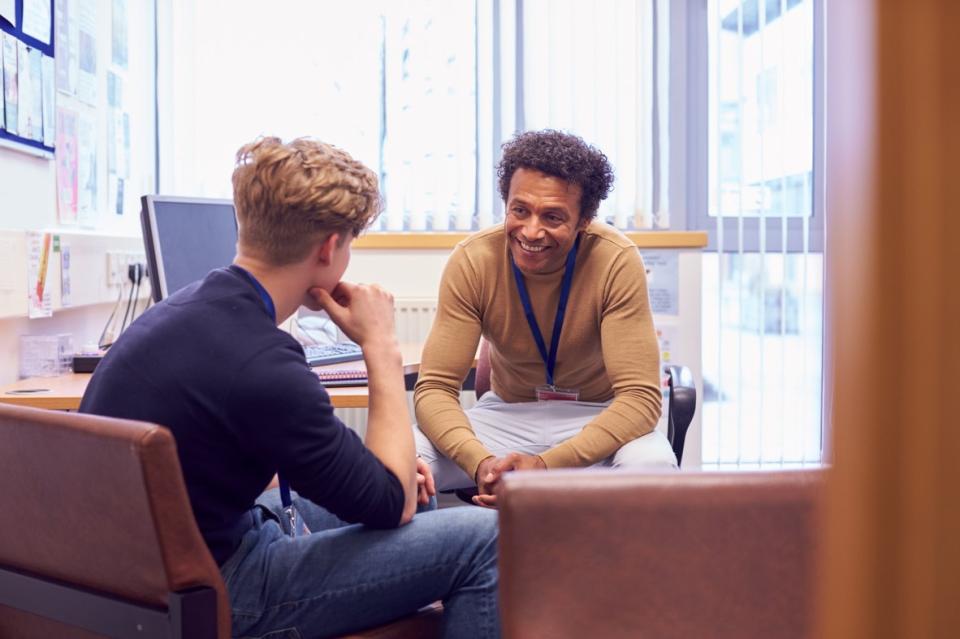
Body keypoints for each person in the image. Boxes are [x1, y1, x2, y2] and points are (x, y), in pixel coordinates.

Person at [80, 137, 500, 639]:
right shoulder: (263, 364)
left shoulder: (183, 310)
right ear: (329, 247)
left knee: (420, 493)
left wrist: (380, 478)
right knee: (489, 538)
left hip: (140, 575)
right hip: (219, 590)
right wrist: (381, 347)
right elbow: (389, 504)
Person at [414, 129, 676, 507]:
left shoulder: (616, 260)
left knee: (653, 469)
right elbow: (435, 389)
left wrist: (546, 466)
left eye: (552, 216)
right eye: (520, 210)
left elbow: (639, 399)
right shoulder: (473, 260)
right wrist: (481, 463)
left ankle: (615, 568)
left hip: (597, 416)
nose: (531, 231)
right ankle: (444, 560)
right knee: (402, 459)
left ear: (584, 219)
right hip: (506, 417)